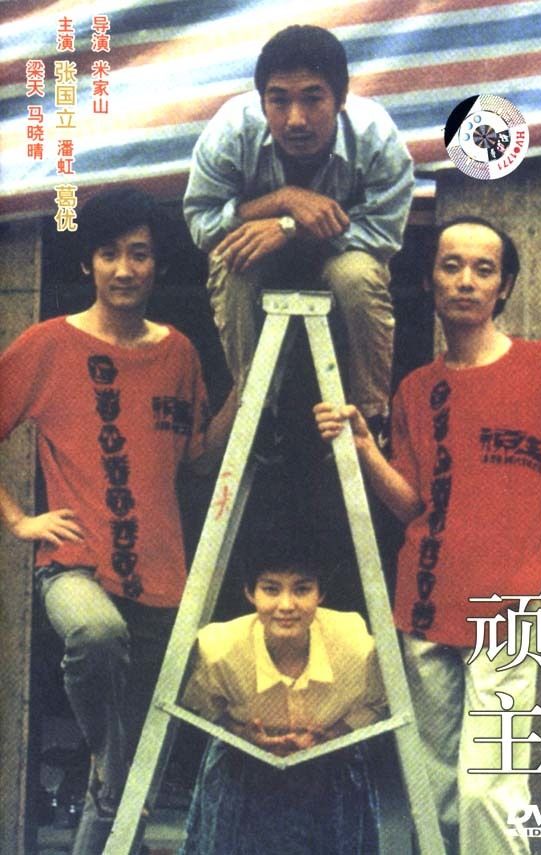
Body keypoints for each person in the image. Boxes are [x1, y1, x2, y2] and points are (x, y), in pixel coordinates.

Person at [314, 216, 541, 853]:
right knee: (435, 792)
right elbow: (413, 503)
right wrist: (364, 448)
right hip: (424, 607)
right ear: (430, 280)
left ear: (504, 287)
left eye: (483, 269)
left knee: (488, 792)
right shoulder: (417, 390)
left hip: (507, 609)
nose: (466, 281)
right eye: (451, 266)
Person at [0, 186, 235, 855]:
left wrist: (245, 393)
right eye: (109, 254)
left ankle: (106, 784)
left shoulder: (179, 352)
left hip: (162, 578)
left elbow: (196, 459)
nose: (124, 269)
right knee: (95, 634)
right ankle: (105, 750)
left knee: (121, 787)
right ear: (88, 263)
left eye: (139, 254)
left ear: (157, 265)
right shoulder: (48, 343)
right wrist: (19, 520)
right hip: (73, 564)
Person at [183, 24, 414, 440]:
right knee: (230, 262)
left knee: (359, 276)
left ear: (341, 98)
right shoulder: (231, 130)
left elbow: (383, 233)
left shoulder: (376, 135)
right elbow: (202, 224)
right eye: (279, 100)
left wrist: (289, 229)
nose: (296, 119)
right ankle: (258, 413)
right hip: (258, 257)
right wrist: (281, 201)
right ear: (261, 100)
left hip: (341, 256)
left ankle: (370, 419)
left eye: (312, 98)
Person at [179, 547, 388, 854]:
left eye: (302, 590)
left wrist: (333, 736)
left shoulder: (355, 645)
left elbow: (378, 703)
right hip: (241, 769)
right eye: (271, 589)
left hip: (332, 771)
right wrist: (242, 735)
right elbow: (204, 708)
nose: (286, 605)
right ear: (250, 593)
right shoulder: (218, 649)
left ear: (320, 593)